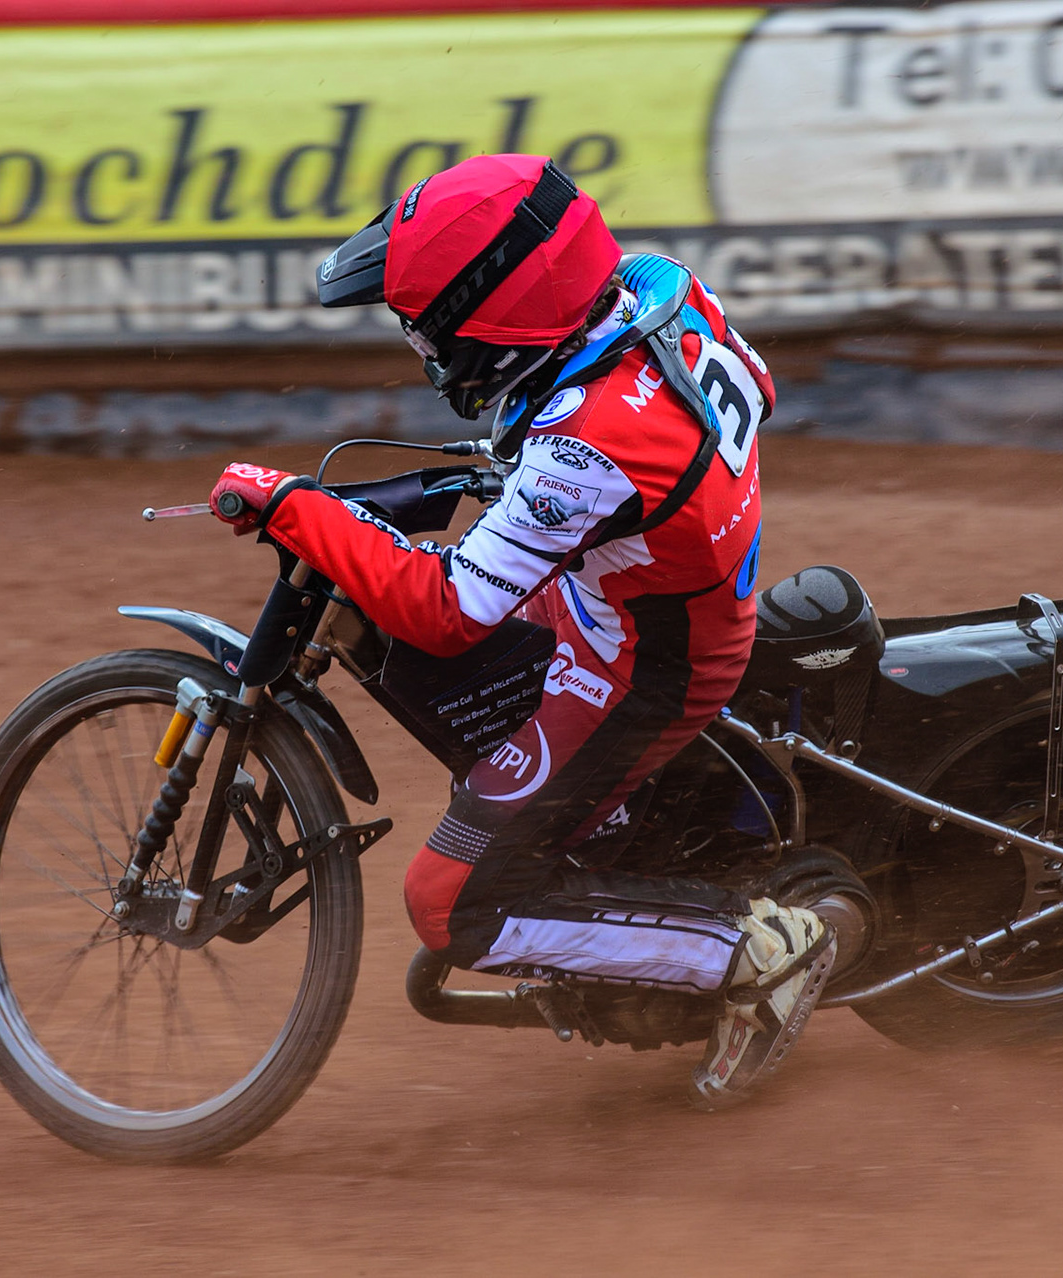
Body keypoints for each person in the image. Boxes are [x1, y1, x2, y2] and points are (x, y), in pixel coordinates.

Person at [206, 154, 834, 1109]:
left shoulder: (586, 449)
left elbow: (443, 613)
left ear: (494, 314)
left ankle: (761, 948)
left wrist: (290, 503)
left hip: (645, 664)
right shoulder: (656, 288)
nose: (423, 351)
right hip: (639, 579)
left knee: (448, 905)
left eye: (428, 331)